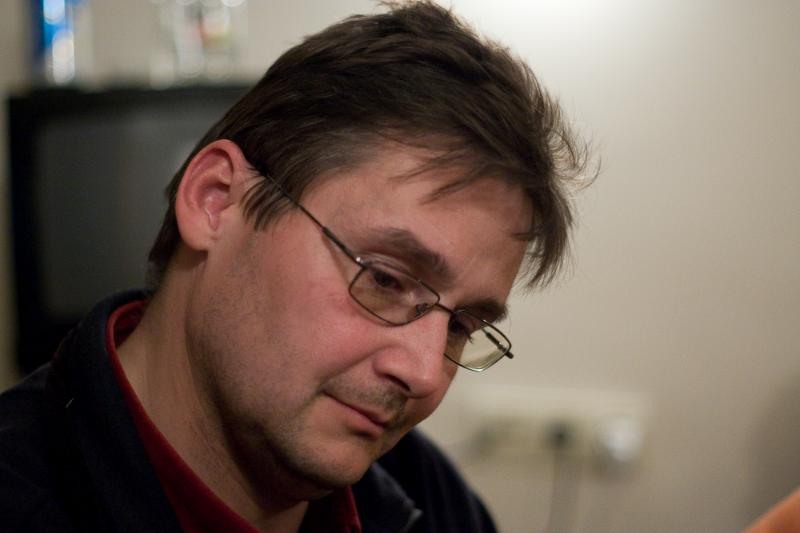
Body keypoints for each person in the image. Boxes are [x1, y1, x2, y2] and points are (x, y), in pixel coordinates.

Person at [0, 2, 587, 531]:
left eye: (460, 326)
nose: (425, 374)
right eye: (385, 279)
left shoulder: (428, 495)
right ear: (215, 200)